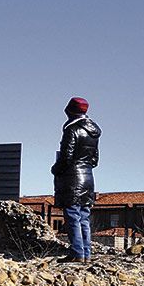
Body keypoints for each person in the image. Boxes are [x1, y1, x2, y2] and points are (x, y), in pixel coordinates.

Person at [51, 96, 101, 263]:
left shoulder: (71, 129)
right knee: (84, 216)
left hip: (72, 178)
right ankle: (86, 253)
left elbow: (66, 157)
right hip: (88, 177)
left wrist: (55, 169)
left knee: (72, 215)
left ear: (70, 110)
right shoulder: (93, 132)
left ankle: (77, 252)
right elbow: (95, 160)